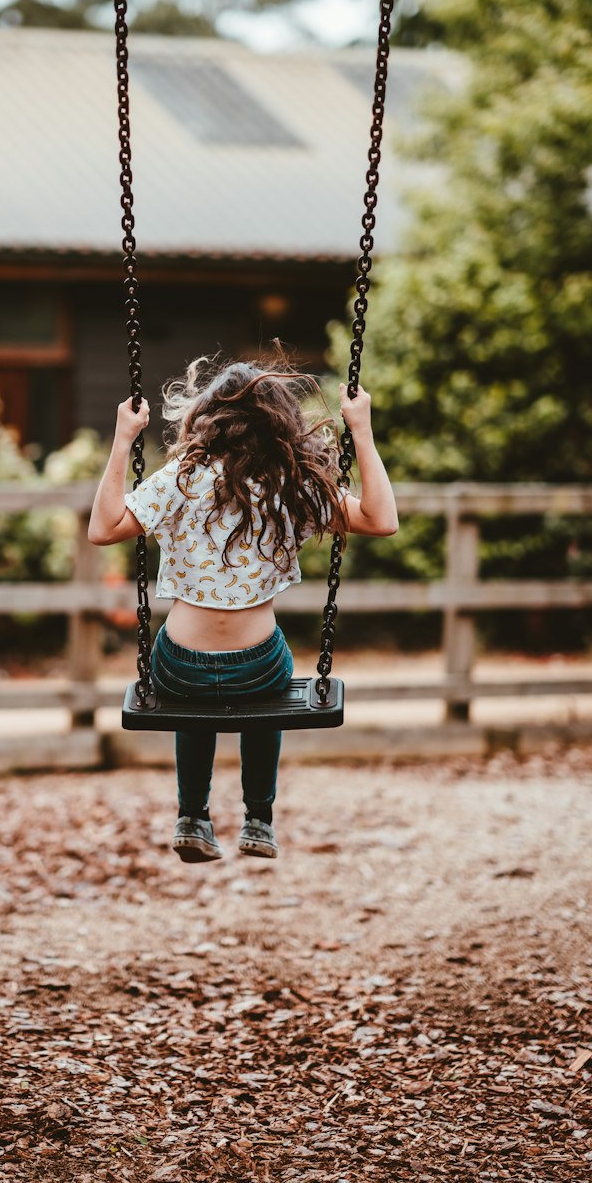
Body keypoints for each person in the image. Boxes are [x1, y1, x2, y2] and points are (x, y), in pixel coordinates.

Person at [88, 355, 398, 864]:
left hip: (179, 665)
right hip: (258, 667)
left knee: (190, 705)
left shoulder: (181, 480)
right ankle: (259, 819)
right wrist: (360, 430)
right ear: (282, 424)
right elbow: (381, 520)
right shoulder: (291, 485)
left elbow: (103, 529)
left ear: (209, 419)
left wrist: (124, 439)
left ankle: (192, 814)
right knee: (269, 695)